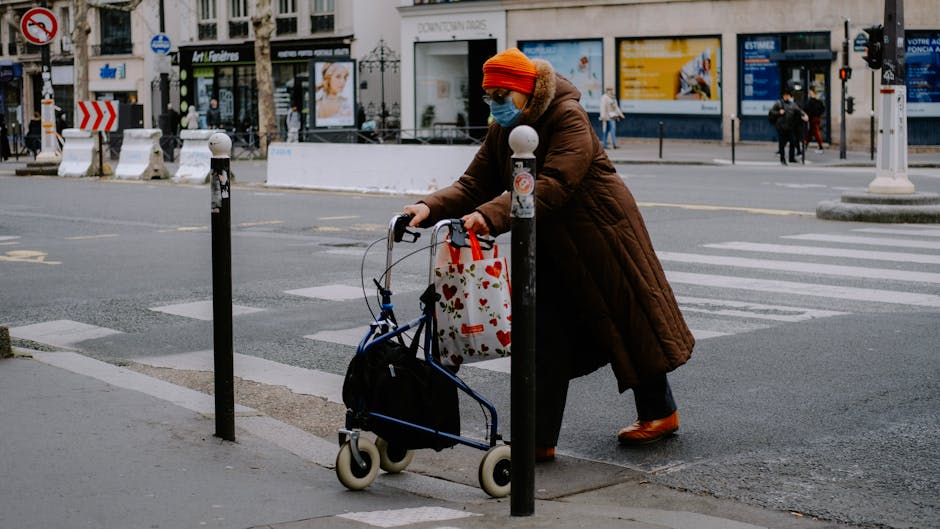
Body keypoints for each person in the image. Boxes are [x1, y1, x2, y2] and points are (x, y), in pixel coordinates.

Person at [402, 48, 695, 460]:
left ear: (527, 91)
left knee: (629, 321)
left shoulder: (567, 116)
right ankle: (537, 441)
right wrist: (427, 207)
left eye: (502, 95)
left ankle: (660, 412)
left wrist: (491, 214)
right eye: (489, 96)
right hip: (548, 242)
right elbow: (473, 183)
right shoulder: (504, 129)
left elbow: (556, 182)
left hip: (600, 235)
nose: (495, 104)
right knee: (543, 336)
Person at [769, 89, 807, 165]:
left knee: (793, 141)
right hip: (781, 126)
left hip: (790, 126)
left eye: (788, 95)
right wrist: (779, 112)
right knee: (782, 143)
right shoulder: (778, 103)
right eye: (785, 95)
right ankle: (782, 159)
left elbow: (799, 110)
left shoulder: (792, 104)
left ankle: (791, 158)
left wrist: (804, 115)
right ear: (783, 96)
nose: (787, 97)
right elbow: (771, 112)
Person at [803, 87, 826, 153]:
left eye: (810, 93)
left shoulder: (812, 101)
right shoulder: (817, 101)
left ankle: (820, 146)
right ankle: (805, 144)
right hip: (815, 118)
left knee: (816, 132)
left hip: (813, 118)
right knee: (810, 132)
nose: (809, 94)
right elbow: (822, 109)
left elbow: (806, 108)